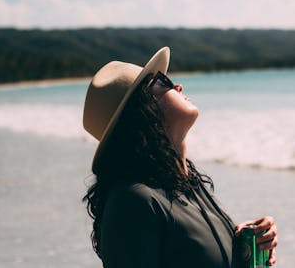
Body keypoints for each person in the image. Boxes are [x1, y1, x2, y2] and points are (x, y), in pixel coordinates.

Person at [82, 47, 277, 267]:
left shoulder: (186, 183)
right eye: (163, 82)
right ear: (143, 109)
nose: (178, 85)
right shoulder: (134, 200)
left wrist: (246, 247)